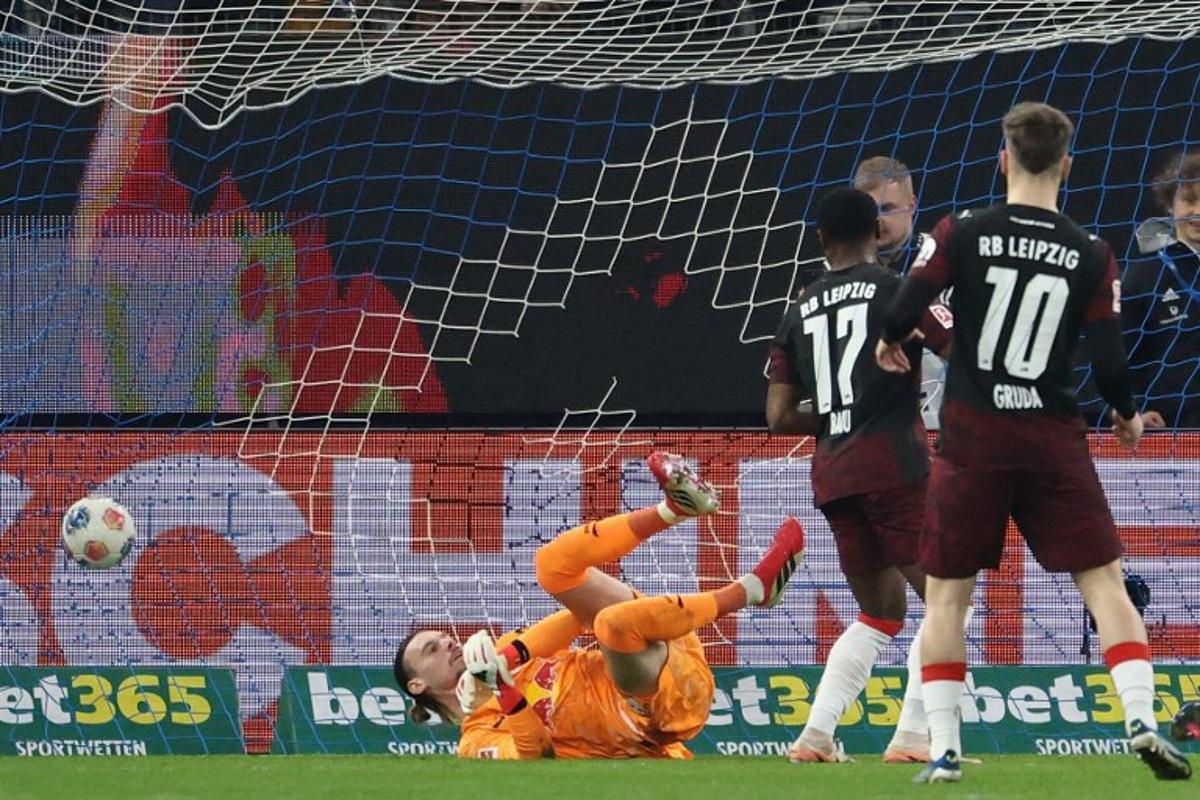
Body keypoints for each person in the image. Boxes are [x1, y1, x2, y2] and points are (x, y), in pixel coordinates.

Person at [876, 101, 1192, 783]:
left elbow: (904, 306)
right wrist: (1129, 417)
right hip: (1052, 438)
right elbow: (1110, 359)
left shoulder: (961, 232)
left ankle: (946, 750)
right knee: (1104, 584)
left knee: (948, 598)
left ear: (1004, 158)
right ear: (1069, 166)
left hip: (973, 438)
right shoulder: (1091, 252)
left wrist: (888, 340)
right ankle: (1139, 717)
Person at [393, 451, 806, 759]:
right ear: (418, 686)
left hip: (662, 643)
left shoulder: (504, 655)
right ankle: (750, 591)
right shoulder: (473, 740)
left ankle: (673, 509)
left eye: (443, 637)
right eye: (431, 649)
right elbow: (534, 751)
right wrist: (502, 690)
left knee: (552, 566)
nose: (448, 643)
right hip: (653, 708)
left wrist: (504, 658)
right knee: (609, 625)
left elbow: (573, 620)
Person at [767, 186, 952, 764]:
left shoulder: (799, 307)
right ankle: (915, 738)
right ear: (877, 233)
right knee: (947, 600)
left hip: (834, 473)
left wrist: (839, 407)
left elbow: (776, 416)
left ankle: (815, 737)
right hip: (894, 463)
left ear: (821, 241)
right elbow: (960, 346)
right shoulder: (898, 291)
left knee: (882, 612)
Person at [854, 156, 954, 430]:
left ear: (912, 205)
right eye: (870, 209)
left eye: (888, 209)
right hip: (866, 432)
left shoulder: (947, 263)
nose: (878, 220)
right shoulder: (832, 276)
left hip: (945, 432)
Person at [1123, 152, 1200, 428]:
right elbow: (1121, 357)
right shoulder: (1142, 277)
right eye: (1189, 200)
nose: (1197, 211)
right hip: (1169, 438)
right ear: (1170, 205)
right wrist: (1131, 412)